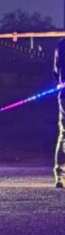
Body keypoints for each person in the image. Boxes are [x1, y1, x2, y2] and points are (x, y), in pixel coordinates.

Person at [55, 39, 65, 188]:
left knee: (64, 134)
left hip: (64, 95)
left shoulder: (62, 44)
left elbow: (55, 71)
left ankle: (60, 175)